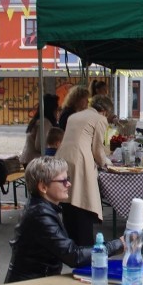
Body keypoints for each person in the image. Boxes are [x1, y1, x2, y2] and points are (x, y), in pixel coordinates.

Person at [5, 157, 124, 283]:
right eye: (63, 181)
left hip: (35, 281)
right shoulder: (40, 215)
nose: (68, 184)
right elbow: (74, 256)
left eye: (68, 179)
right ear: (43, 187)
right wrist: (119, 245)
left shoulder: (40, 208)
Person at [55, 94, 113, 245]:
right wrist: (106, 163)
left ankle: (70, 242)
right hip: (80, 160)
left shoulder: (74, 116)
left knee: (66, 198)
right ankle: (84, 244)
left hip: (62, 158)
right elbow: (98, 148)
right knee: (83, 200)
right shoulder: (100, 119)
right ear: (105, 111)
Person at [19, 94, 60, 166]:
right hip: (34, 161)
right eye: (57, 109)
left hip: (29, 159)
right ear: (52, 109)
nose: (57, 112)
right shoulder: (44, 122)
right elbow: (40, 146)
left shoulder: (38, 120)